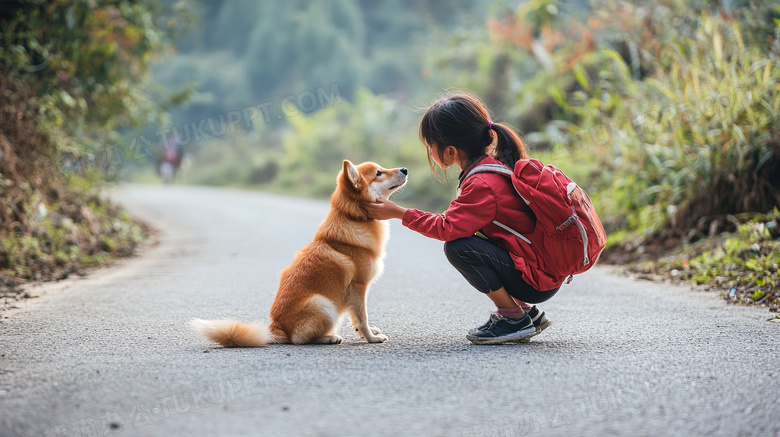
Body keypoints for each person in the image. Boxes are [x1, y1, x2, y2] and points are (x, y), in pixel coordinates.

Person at [364, 91, 560, 345]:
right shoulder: (493, 166)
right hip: (541, 270)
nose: (429, 151)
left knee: (459, 248)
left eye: (429, 146)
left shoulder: (482, 182)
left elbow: (447, 228)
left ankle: (513, 318)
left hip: (536, 280)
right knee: (472, 241)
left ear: (449, 152)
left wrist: (399, 213)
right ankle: (527, 313)